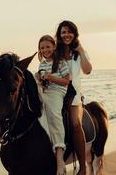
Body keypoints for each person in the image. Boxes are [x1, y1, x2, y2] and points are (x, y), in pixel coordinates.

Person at [55, 20, 92, 175]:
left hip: (74, 95)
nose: (66, 35)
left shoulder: (78, 54)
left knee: (76, 124)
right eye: (63, 32)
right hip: (56, 92)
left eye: (69, 32)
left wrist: (82, 51)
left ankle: (83, 168)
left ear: (75, 34)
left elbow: (88, 70)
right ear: (59, 34)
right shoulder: (55, 52)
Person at [37, 35, 70, 175]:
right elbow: (42, 81)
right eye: (42, 47)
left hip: (57, 91)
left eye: (48, 46)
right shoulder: (42, 64)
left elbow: (66, 81)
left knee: (54, 114)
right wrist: (39, 79)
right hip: (45, 90)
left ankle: (59, 155)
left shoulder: (61, 62)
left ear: (54, 47)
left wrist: (50, 77)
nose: (45, 50)